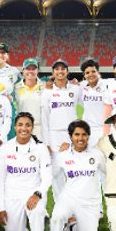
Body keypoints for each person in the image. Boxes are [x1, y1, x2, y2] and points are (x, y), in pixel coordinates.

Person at [0, 113, 52, 231]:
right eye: (20, 125)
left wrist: (37, 194)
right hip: (11, 196)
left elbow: (47, 177)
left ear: (32, 128)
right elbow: (0, 181)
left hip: (33, 193)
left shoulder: (41, 148)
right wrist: (0, 208)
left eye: (28, 125)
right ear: (15, 127)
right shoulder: (5, 148)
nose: (24, 128)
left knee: (37, 211)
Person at [49, 120, 104, 231]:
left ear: (89, 136)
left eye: (84, 135)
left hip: (90, 203)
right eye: (77, 135)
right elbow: (50, 174)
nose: (80, 138)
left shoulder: (97, 155)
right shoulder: (63, 156)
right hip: (69, 198)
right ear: (70, 136)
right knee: (57, 216)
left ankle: (72, 226)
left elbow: (110, 173)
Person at [41, 59, 81, 197]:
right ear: (53, 72)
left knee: (73, 171)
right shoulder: (47, 92)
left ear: (67, 71)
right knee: (56, 173)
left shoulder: (76, 89)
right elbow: (44, 118)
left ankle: (74, 207)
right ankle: (61, 207)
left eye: (63, 69)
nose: (60, 71)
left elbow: (87, 102)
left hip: (72, 135)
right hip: (54, 135)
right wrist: (46, 143)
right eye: (57, 69)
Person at [77, 59, 107, 148]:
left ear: (98, 72)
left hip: (104, 129)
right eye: (87, 73)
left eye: (93, 71)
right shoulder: (81, 87)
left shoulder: (107, 85)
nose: (90, 74)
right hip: (88, 130)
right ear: (84, 75)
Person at [15, 58, 44, 137]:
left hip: (40, 128)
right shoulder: (16, 87)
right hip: (23, 128)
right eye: (28, 69)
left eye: (33, 69)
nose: (30, 71)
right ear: (23, 70)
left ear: (37, 71)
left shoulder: (45, 86)